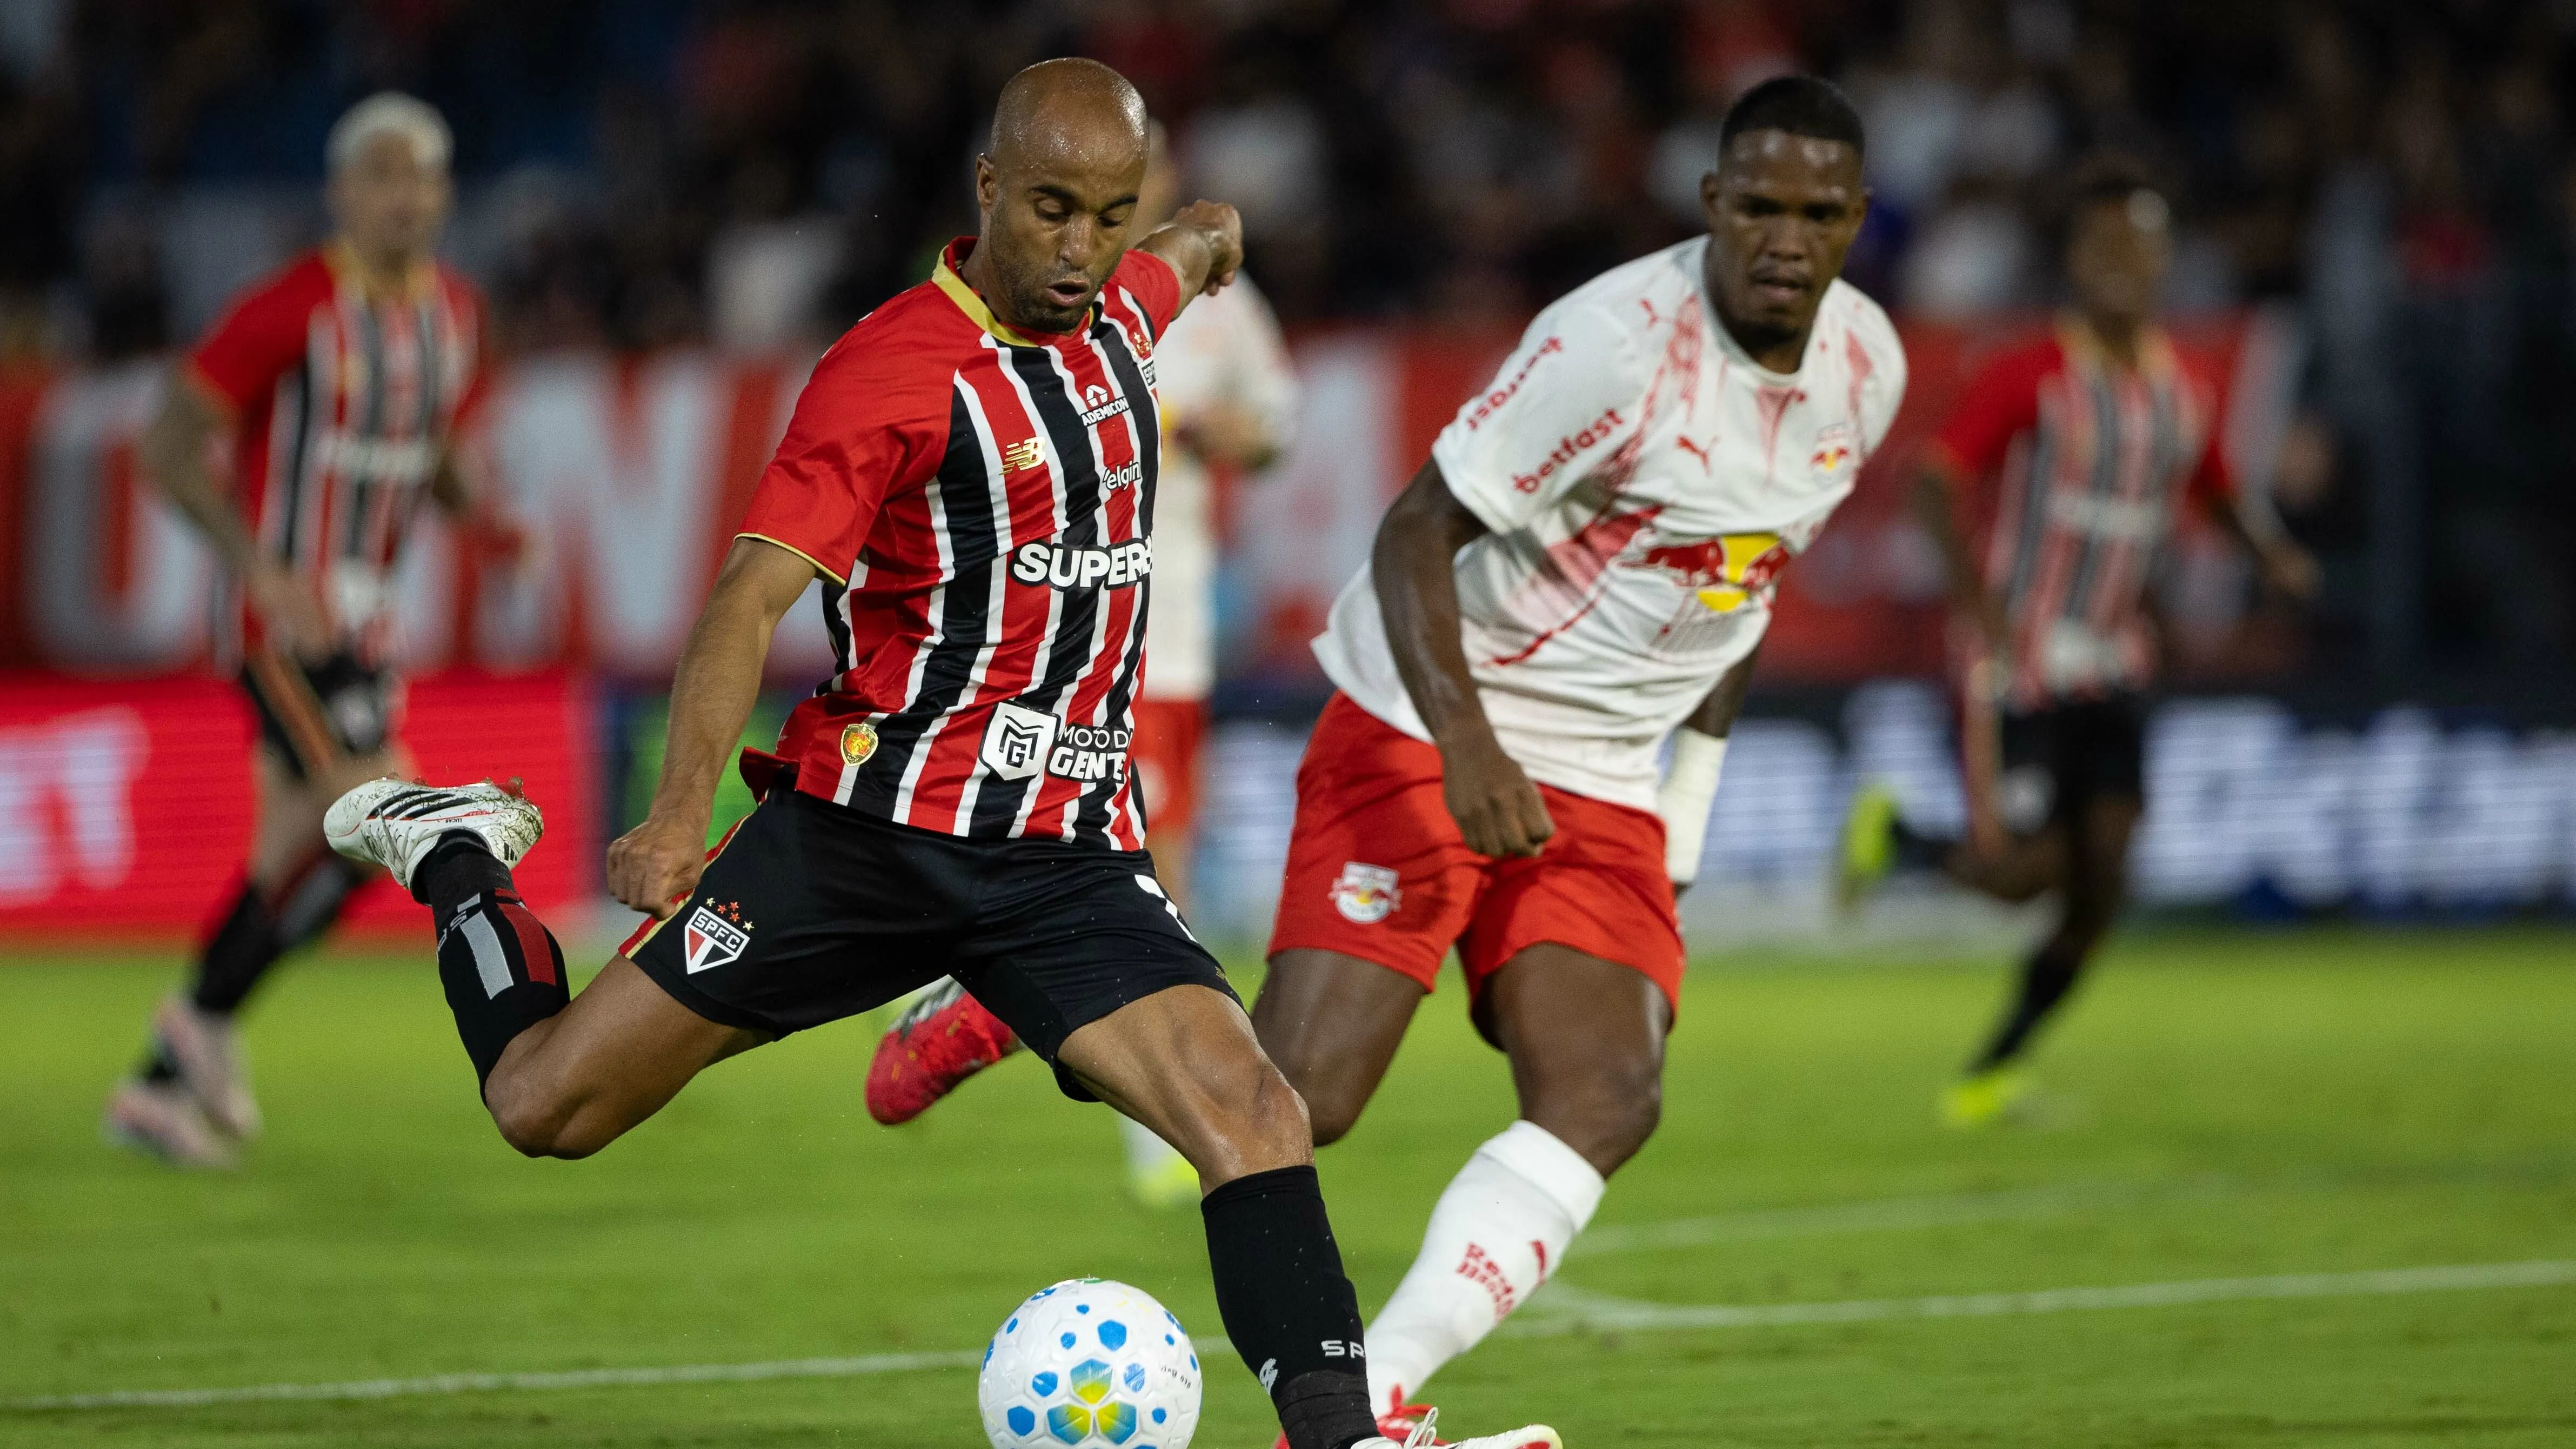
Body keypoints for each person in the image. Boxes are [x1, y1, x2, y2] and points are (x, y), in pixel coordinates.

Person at [324, 60, 1555, 1449]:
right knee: (545, 1105)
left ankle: (1341, 1437)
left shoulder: (1124, 309)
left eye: (1107, 214)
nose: (1080, 250)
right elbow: (745, 595)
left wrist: (1207, 237)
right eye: (1049, 211)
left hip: (1064, 856)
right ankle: (454, 849)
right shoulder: (889, 370)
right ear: (984, 192)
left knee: (1252, 1107)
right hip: (864, 841)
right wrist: (678, 815)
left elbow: (1187, 249)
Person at [826, 74, 1903, 1436]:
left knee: (1608, 1095)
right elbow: (1413, 531)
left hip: (1609, 769)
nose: (1785, 237)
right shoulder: (1616, 346)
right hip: (1429, 713)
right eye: (1758, 204)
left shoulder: (1866, 371)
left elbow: (1740, 595)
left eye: (1816, 211)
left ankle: (1367, 1400)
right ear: (1711, 204)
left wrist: (1679, 825)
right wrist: (1466, 745)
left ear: (1859, 219)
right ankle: (1005, 998)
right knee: (1294, 1102)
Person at [862, 121, 1301, 1212]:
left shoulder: (1213, 304)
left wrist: (1206, 430)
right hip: (1020, 618)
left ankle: (1096, 1073)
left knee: (1158, 858)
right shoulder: (1020, 291)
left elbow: (1275, 429)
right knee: (1040, 836)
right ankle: (979, 995)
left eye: (1139, 179)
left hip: (1163, 625)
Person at [1838, 157, 2317, 1129]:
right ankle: (1899, 839)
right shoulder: (2030, 372)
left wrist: (2269, 556)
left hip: (2114, 661)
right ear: (2075, 259)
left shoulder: (2177, 389)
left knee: (2101, 883)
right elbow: (1936, 479)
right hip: (2021, 663)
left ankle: (1991, 1071)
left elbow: (2213, 486)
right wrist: (1980, 606)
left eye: (2139, 247)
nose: (2122, 263)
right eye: (2104, 245)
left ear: (2163, 262)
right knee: (2026, 877)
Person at [104, 93, 512, 1168]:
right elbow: (163, 445)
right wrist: (259, 570)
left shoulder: (455, 314)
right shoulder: (287, 309)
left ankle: (170, 1061)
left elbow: (434, 454)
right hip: (281, 622)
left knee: (306, 850)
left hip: (370, 623)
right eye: (380, 175)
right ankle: (200, 1028)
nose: (402, 197)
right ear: (342, 193)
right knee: (380, 793)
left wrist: (487, 517)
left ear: (445, 193)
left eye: (419, 177)